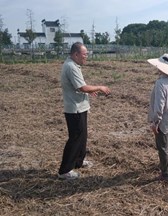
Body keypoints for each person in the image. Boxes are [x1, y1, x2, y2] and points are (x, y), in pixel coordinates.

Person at [58, 42, 110, 180]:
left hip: (80, 106)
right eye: (84, 54)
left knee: (82, 136)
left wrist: (89, 91)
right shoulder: (71, 67)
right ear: (76, 54)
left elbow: (81, 87)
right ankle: (65, 170)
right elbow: (82, 88)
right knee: (75, 138)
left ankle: (78, 161)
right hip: (75, 109)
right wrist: (99, 87)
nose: (86, 56)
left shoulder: (73, 65)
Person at [147, 53, 168, 183]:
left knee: (163, 147)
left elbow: (159, 105)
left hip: (163, 121)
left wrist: (156, 122)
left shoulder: (160, 83)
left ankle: (166, 174)